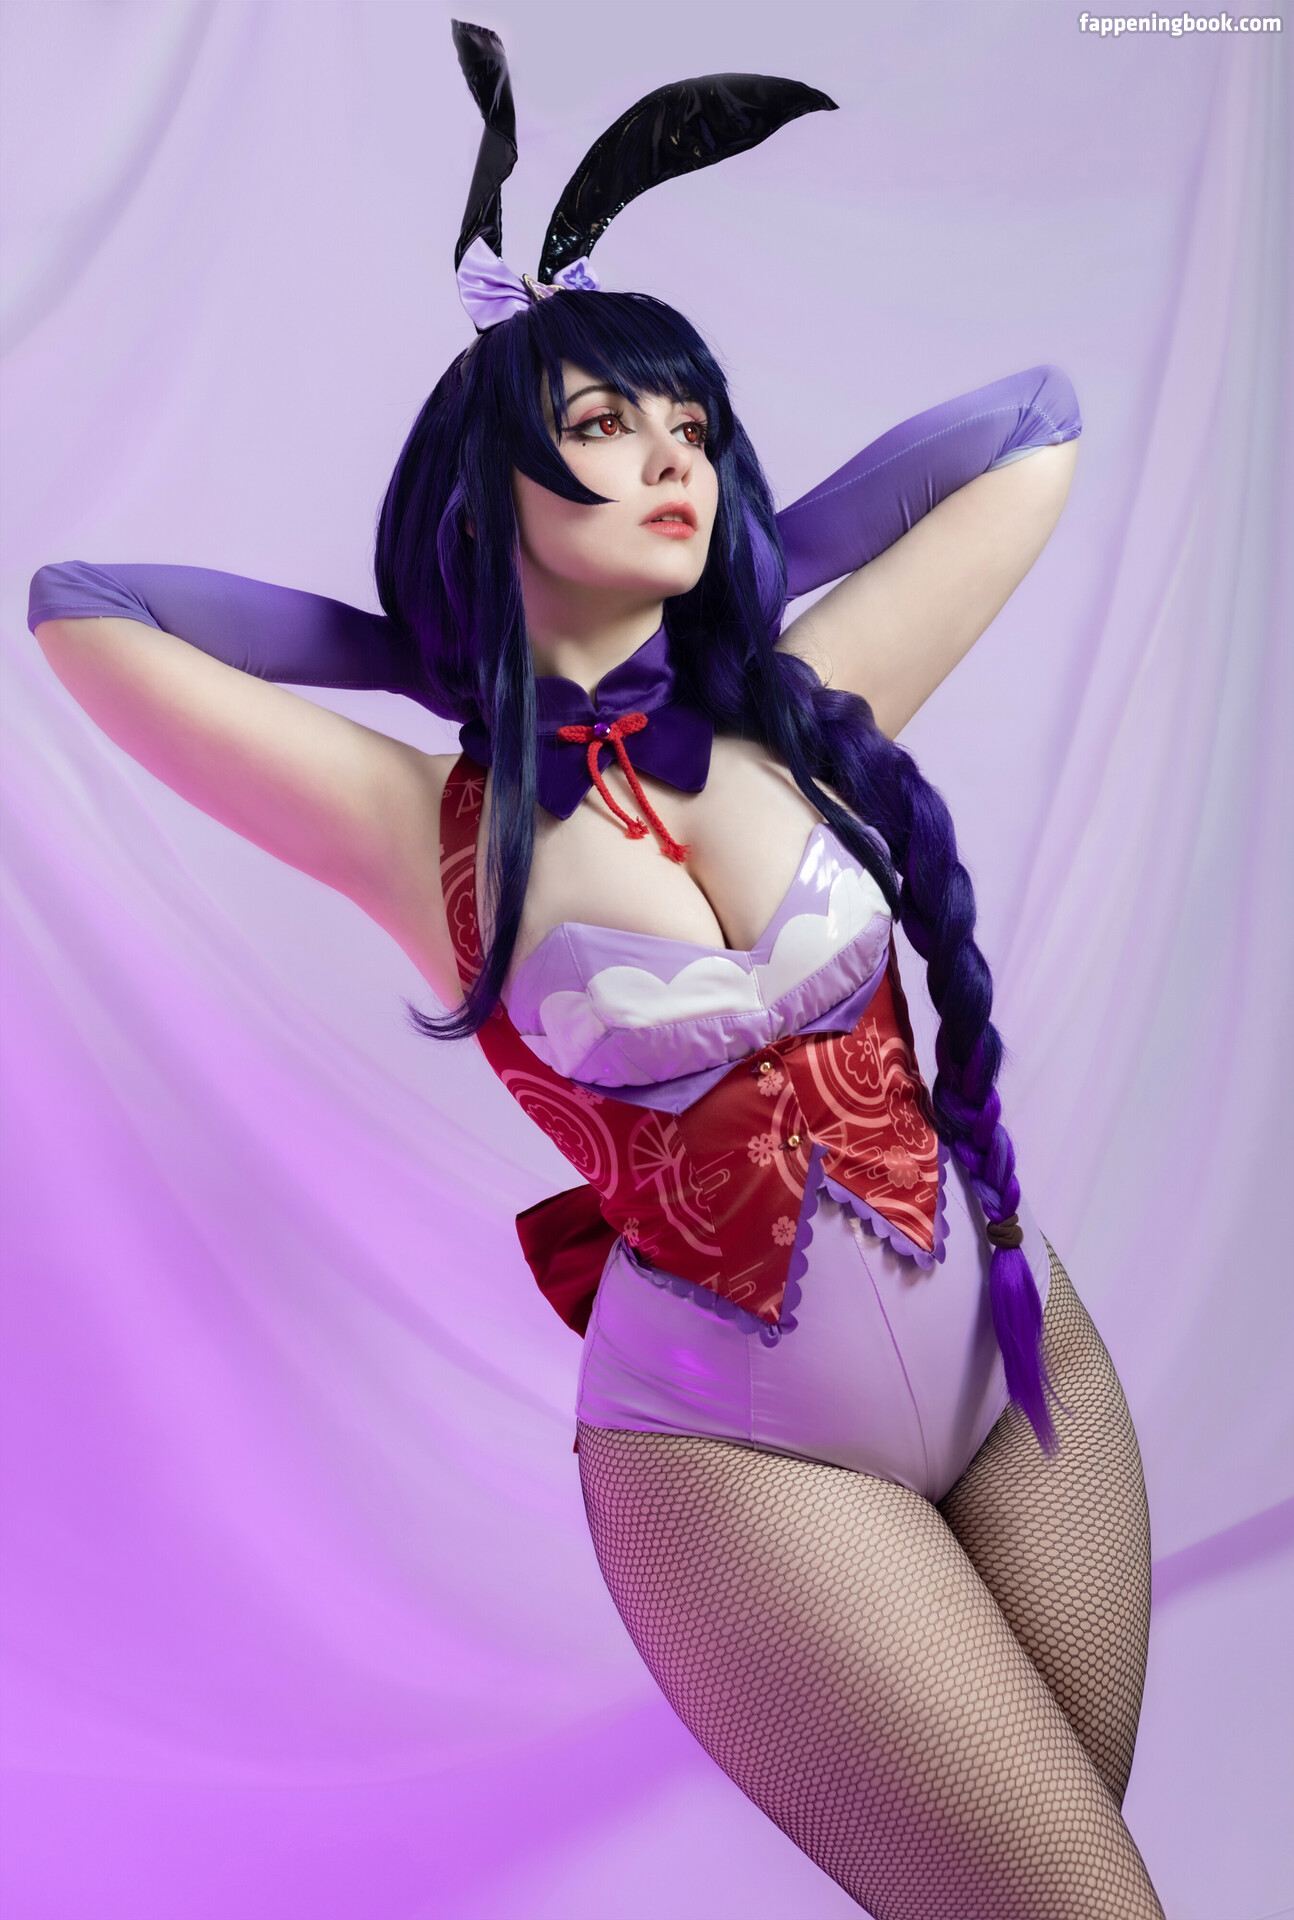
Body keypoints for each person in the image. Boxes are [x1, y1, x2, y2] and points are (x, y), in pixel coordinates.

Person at [28, 24, 1164, 1917]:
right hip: (737, 1459)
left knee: (1056, 1879)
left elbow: (1027, 428)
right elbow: (89, 615)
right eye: (608, 430)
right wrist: (431, 637)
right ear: (495, 493)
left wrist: (739, 564)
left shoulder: (802, 705)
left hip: (1018, 1354)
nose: (669, 463)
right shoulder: (422, 823)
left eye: (691, 433)